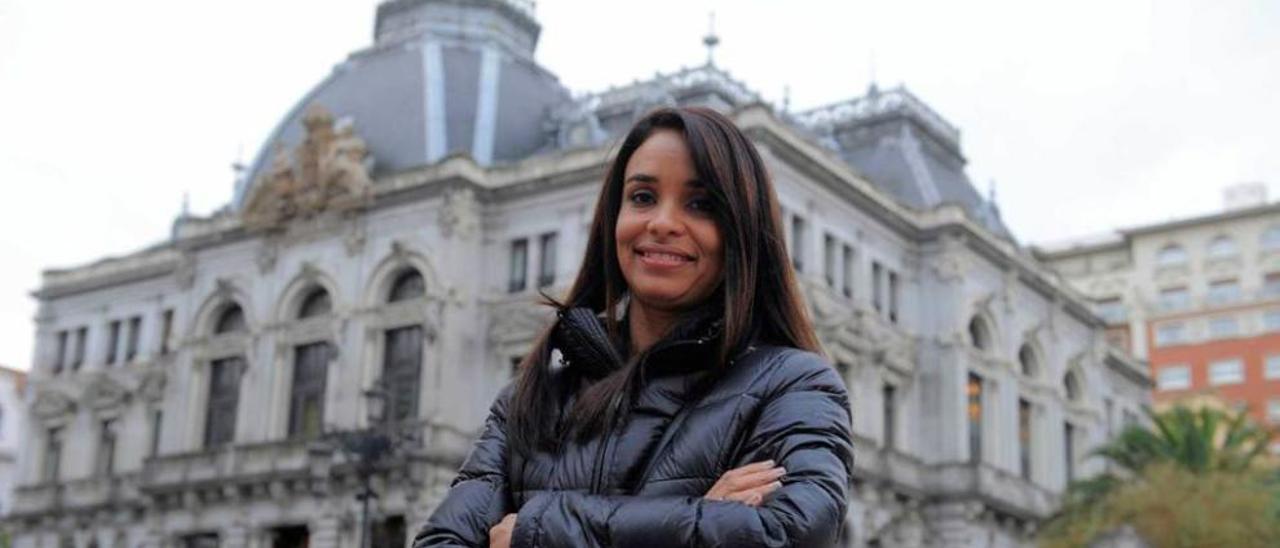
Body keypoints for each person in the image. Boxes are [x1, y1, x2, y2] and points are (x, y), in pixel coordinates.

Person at [414, 107, 853, 547]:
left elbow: (790, 533)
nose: (661, 223)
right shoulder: (532, 397)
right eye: (642, 197)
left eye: (700, 204)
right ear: (612, 219)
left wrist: (540, 532)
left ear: (741, 230)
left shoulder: (794, 386)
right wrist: (696, 519)